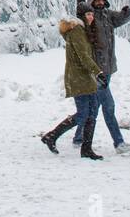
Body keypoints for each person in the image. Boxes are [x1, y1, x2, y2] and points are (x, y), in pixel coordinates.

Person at [72, 0, 130, 155]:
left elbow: (120, 19)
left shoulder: (107, 16)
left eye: (101, 0)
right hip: (97, 69)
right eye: (96, 0)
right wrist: (80, 6)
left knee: (95, 106)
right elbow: (79, 19)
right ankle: (119, 142)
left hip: (107, 69)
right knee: (108, 105)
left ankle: (78, 138)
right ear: (91, 3)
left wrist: (126, 13)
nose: (99, 2)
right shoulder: (89, 18)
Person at [39, 14, 106, 160]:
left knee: (92, 111)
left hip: (85, 77)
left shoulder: (83, 30)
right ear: (81, 16)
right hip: (78, 78)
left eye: (92, 14)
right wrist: (98, 72)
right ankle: (52, 136)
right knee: (83, 113)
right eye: (88, 14)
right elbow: (83, 56)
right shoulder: (77, 31)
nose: (91, 17)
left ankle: (86, 148)